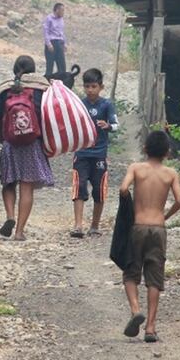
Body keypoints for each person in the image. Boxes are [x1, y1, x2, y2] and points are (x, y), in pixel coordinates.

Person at [118, 131, 180, 343]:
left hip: (137, 226)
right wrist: (165, 215)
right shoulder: (170, 173)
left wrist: (128, 207)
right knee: (154, 277)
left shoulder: (136, 168)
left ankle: (136, 309)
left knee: (131, 272)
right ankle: (151, 328)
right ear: (167, 152)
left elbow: (123, 188)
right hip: (158, 228)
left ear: (145, 148)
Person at [0, 55, 53, 241]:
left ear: (15, 70)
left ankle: (10, 217)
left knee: (9, 183)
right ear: (34, 70)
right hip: (32, 145)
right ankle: (20, 232)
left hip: (10, 144)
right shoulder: (42, 89)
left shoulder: (6, 89)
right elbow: (50, 119)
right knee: (26, 188)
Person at [70, 68, 119, 238]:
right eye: (87, 86)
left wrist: (108, 126)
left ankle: (95, 225)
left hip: (99, 154)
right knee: (79, 187)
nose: (90, 90)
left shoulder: (107, 105)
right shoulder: (79, 104)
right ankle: (78, 226)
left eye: (93, 86)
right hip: (82, 153)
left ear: (101, 87)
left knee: (99, 190)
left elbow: (116, 125)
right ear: (83, 87)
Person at [42, 2, 67, 77]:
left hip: (59, 43)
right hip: (52, 43)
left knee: (62, 65)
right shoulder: (49, 18)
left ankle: (61, 83)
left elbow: (61, 32)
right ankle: (48, 82)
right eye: (62, 10)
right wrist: (48, 44)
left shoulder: (61, 19)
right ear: (57, 10)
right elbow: (46, 32)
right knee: (50, 65)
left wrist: (65, 43)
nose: (63, 12)